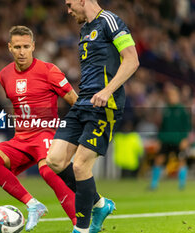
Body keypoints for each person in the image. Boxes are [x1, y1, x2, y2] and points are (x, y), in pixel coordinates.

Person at [46, 1, 139, 233]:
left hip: (105, 105)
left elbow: (132, 60)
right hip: (83, 103)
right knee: (55, 161)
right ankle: (99, 203)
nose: (67, 10)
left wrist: (108, 91)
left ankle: (82, 229)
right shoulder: (85, 29)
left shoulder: (110, 21)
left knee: (80, 166)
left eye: (69, 4)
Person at [0, 25, 79, 231]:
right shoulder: (4, 75)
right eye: (17, 47)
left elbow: (75, 101)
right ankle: (33, 205)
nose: (22, 51)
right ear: (9, 47)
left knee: (47, 172)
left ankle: (79, 225)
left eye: (26, 46)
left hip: (46, 133)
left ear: (33, 46)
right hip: (21, 139)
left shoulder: (49, 71)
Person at [150, 84, 191, 190]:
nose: (171, 97)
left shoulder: (182, 110)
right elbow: (162, 127)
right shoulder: (166, 109)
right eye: (169, 95)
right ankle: (154, 184)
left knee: (181, 161)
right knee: (158, 160)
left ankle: (181, 185)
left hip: (178, 140)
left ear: (177, 96)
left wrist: (185, 139)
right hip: (166, 139)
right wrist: (159, 140)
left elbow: (186, 126)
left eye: (173, 95)